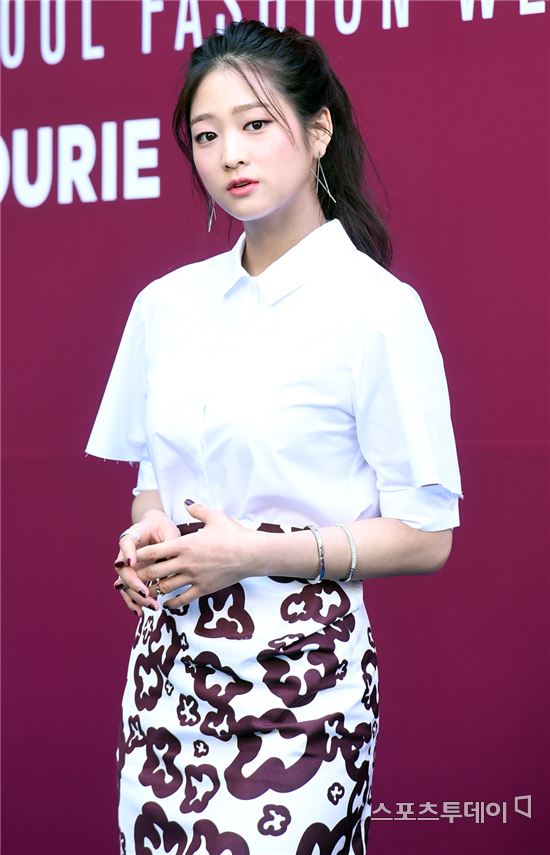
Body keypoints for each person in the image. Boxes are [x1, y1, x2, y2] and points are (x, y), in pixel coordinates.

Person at [86, 19, 462, 855]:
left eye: (255, 124)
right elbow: (155, 480)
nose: (230, 155)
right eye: (206, 135)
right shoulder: (166, 306)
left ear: (318, 129)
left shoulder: (377, 310)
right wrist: (147, 534)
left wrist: (253, 553)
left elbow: (428, 533)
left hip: (303, 692)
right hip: (168, 681)